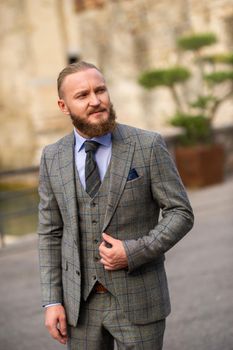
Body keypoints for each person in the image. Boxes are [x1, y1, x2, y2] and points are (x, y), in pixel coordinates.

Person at [38, 61, 194, 350]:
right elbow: (50, 233)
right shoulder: (52, 157)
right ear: (63, 106)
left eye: (100, 90)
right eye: (82, 95)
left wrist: (134, 251)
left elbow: (181, 212)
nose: (96, 101)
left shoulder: (147, 145)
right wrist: (52, 300)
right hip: (80, 308)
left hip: (139, 299)